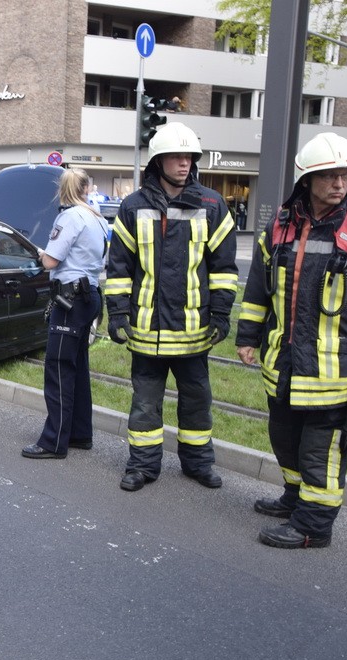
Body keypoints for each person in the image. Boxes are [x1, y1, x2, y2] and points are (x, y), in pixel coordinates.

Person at [235, 132, 347, 549]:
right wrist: (247, 336)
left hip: (333, 371)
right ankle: (295, 499)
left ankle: (313, 525)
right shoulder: (280, 225)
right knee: (284, 437)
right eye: (330, 176)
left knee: (321, 449)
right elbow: (258, 287)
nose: (340, 183)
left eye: (346, 175)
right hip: (285, 364)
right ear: (307, 180)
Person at [104, 121, 238, 492]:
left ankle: (197, 464)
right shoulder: (133, 207)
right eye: (176, 157)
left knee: (197, 402)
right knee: (145, 405)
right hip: (146, 330)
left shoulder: (212, 204)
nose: (184, 163)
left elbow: (224, 268)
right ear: (158, 162)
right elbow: (119, 268)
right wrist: (116, 313)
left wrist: (223, 314)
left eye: (189, 157)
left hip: (193, 329)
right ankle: (142, 466)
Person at [22, 168, 109, 459]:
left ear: (63, 189)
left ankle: (53, 442)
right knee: (78, 368)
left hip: (69, 299)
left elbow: (50, 261)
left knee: (58, 368)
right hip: (90, 296)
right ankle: (79, 434)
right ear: (88, 188)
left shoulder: (69, 217)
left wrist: (40, 255)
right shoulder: (97, 217)